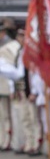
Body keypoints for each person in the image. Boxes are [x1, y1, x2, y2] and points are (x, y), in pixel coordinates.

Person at [0, 21, 20, 151]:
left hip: (6, 84)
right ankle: (3, 139)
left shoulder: (11, 46)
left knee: (9, 115)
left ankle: (10, 140)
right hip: (1, 85)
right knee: (2, 115)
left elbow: (12, 68)